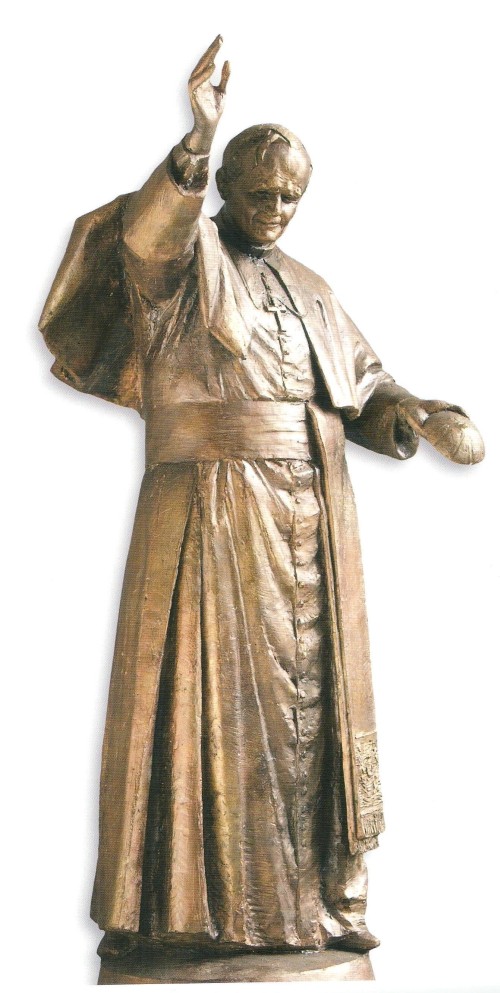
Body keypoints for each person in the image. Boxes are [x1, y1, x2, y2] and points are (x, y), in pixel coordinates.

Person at [39, 37, 483, 962]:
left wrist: (422, 414)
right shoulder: (184, 265)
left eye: (290, 197)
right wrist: (197, 142)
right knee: (205, 707)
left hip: (312, 522)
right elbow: (144, 237)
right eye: (260, 193)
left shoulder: (312, 288)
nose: (275, 210)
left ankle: (311, 908)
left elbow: (362, 383)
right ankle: (190, 916)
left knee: (310, 721)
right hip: (210, 509)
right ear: (230, 189)